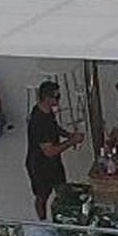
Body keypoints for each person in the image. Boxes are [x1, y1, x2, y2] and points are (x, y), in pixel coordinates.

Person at [26, 80, 83, 220]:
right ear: (46, 98)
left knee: (61, 188)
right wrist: (71, 141)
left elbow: (55, 128)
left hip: (53, 163)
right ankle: (43, 221)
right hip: (40, 164)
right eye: (56, 97)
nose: (59, 100)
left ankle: (62, 216)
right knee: (42, 195)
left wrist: (68, 135)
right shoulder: (39, 122)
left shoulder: (46, 111)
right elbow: (49, 151)